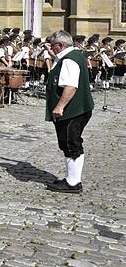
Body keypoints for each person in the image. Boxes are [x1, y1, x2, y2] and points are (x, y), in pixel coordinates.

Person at [45, 30, 94, 194]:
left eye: (53, 46)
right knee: (70, 143)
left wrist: (59, 107)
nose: (51, 48)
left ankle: (73, 182)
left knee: (71, 143)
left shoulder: (69, 60)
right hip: (78, 109)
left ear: (60, 45)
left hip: (72, 111)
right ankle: (71, 178)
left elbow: (71, 86)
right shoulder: (74, 54)